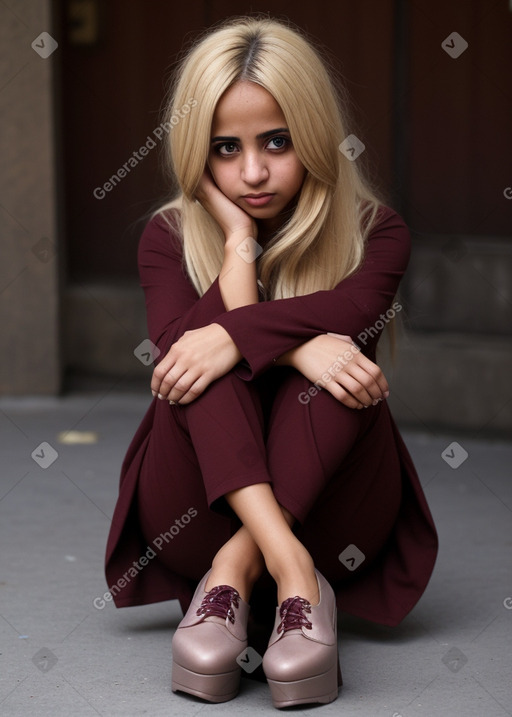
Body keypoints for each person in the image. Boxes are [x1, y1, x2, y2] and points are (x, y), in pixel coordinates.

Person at [104, 15, 438, 709]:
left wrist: (252, 333)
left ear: (314, 132)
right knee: (200, 360)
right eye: (225, 148)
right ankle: (292, 573)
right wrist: (237, 249)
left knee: (338, 372)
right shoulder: (167, 237)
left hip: (336, 519)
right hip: (193, 513)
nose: (252, 171)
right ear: (196, 152)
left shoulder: (378, 233)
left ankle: (238, 568)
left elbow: (348, 330)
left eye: (277, 141)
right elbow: (181, 359)